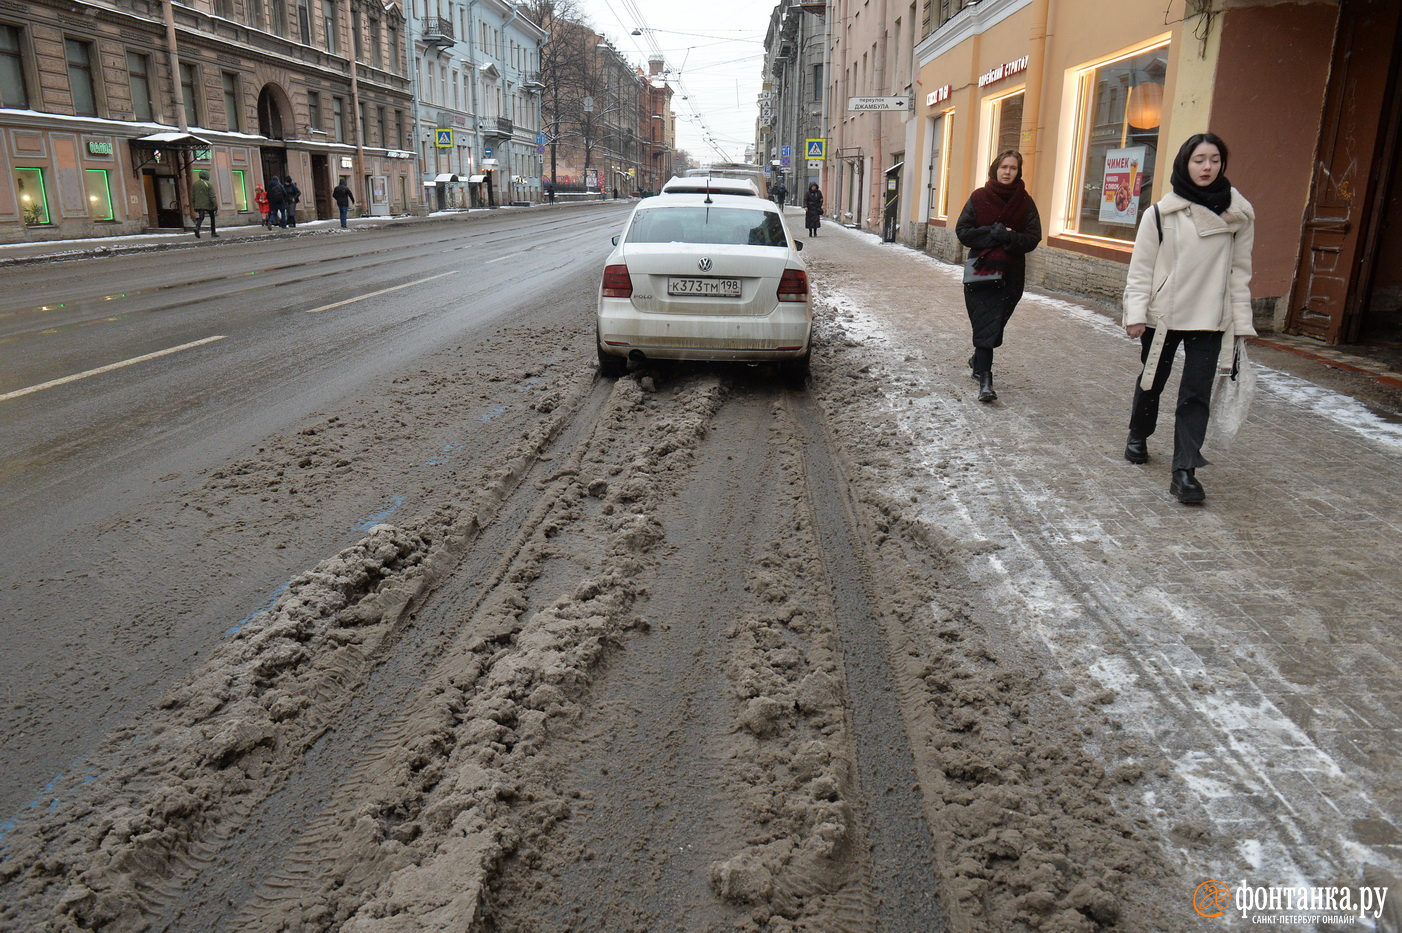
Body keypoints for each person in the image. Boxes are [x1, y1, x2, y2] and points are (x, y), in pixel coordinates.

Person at [1121, 132, 1256, 504]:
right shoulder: (1161, 213)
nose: (1207, 166)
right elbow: (1141, 268)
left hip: (1211, 318)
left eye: (1214, 159)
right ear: (1185, 163)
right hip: (1163, 315)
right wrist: (1135, 313)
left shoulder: (1239, 215)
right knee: (1153, 380)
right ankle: (1139, 433)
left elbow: (1239, 273)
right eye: (1199, 160)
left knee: (1195, 394)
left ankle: (1185, 471)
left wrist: (1240, 323)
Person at [955, 149, 1042, 402]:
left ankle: (977, 359)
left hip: (1011, 275)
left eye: (1013, 168)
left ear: (1018, 172)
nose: (1007, 172)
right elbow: (963, 231)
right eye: (1004, 167)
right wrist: (992, 233)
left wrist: (1009, 237)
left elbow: (1033, 237)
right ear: (995, 168)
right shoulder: (979, 197)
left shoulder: (1025, 202)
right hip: (981, 271)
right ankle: (985, 381)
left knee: (994, 323)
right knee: (986, 323)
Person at [191, 170, 219, 239]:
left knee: (201, 217)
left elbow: (193, 196)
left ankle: (197, 227)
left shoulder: (195, 184)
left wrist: (194, 204)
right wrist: (215, 205)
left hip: (199, 205)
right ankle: (213, 232)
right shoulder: (209, 184)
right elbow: (212, 196)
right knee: (212, 217)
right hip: (209, 204)